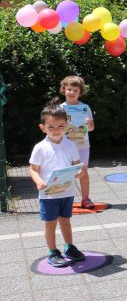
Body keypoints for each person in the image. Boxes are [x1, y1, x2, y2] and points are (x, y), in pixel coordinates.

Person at [29, 99, 86, 267]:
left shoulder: (70, 145)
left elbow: (77, 165)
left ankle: (69, 247)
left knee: (66, 221)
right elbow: (33, 169)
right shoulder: (40, 147)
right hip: (48, 194)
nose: (56, 130)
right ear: (43, 127)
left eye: (61, 126)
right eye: (51, 127)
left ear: (67, 126)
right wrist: (38, 180)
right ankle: (53, 251)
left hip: (67, 192)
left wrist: (80, 172)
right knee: (51, 223)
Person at [59, 76, 95, 209]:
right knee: (65, 173)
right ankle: (63, 200)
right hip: (65, 147)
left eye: (75, 90)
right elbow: (55, 130)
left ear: (80, 92)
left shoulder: (85, 108)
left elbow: (91, 128)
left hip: (82, 145)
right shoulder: (60, 109)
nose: (72, 92)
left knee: (83, 172)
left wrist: (90, 124)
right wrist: (63, 126)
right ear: (64, 90)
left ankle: (86, 199)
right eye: (69, 89)